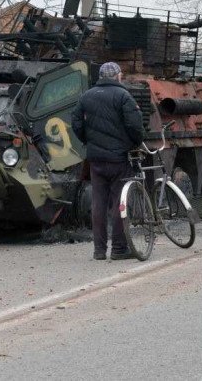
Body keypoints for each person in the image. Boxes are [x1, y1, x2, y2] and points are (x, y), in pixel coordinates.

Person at [71, 61, 144, 260]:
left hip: (95, 160)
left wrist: (88, 140)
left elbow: (75, 122)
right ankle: (119, 249)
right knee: (120, 202)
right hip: (119, 159)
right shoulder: (123, 96)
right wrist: (135, 143)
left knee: (98, 203)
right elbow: (135, 125)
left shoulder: (86, 96)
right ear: (118, 76)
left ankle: (99, 250)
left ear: (101, 76)